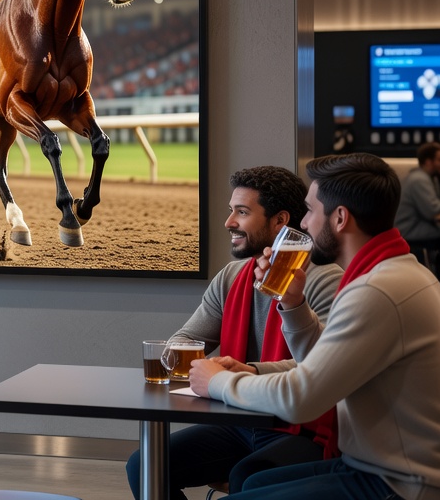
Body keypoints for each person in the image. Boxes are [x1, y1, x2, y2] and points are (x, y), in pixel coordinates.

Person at [189, 153, 440, 500]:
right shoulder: (393, 274)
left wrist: (218, 381)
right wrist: (293, 304)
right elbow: (320, 364)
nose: (304, 224)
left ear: (339, 218)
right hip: (370, 464)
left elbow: (300, 399)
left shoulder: (377, 292)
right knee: (256, 483)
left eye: (309, 211)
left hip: (398, 482)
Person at [125, 166, 342, 498]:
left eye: (242, 212)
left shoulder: (324, 278)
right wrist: (184, 359)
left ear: (280, 220)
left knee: (247, 475)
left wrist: (246, 371)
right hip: (239, 421)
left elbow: (321, 365)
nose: (229, 222)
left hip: (301, 428)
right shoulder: (231, 276)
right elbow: (186, 338)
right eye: (231, 211)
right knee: (144, 464)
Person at [395, 141, 440, 274]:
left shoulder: (422, 177)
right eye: (439, 160)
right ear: (428, 161)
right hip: (411, 232)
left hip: (413, 228)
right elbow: (433, 211)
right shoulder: (419, 179)